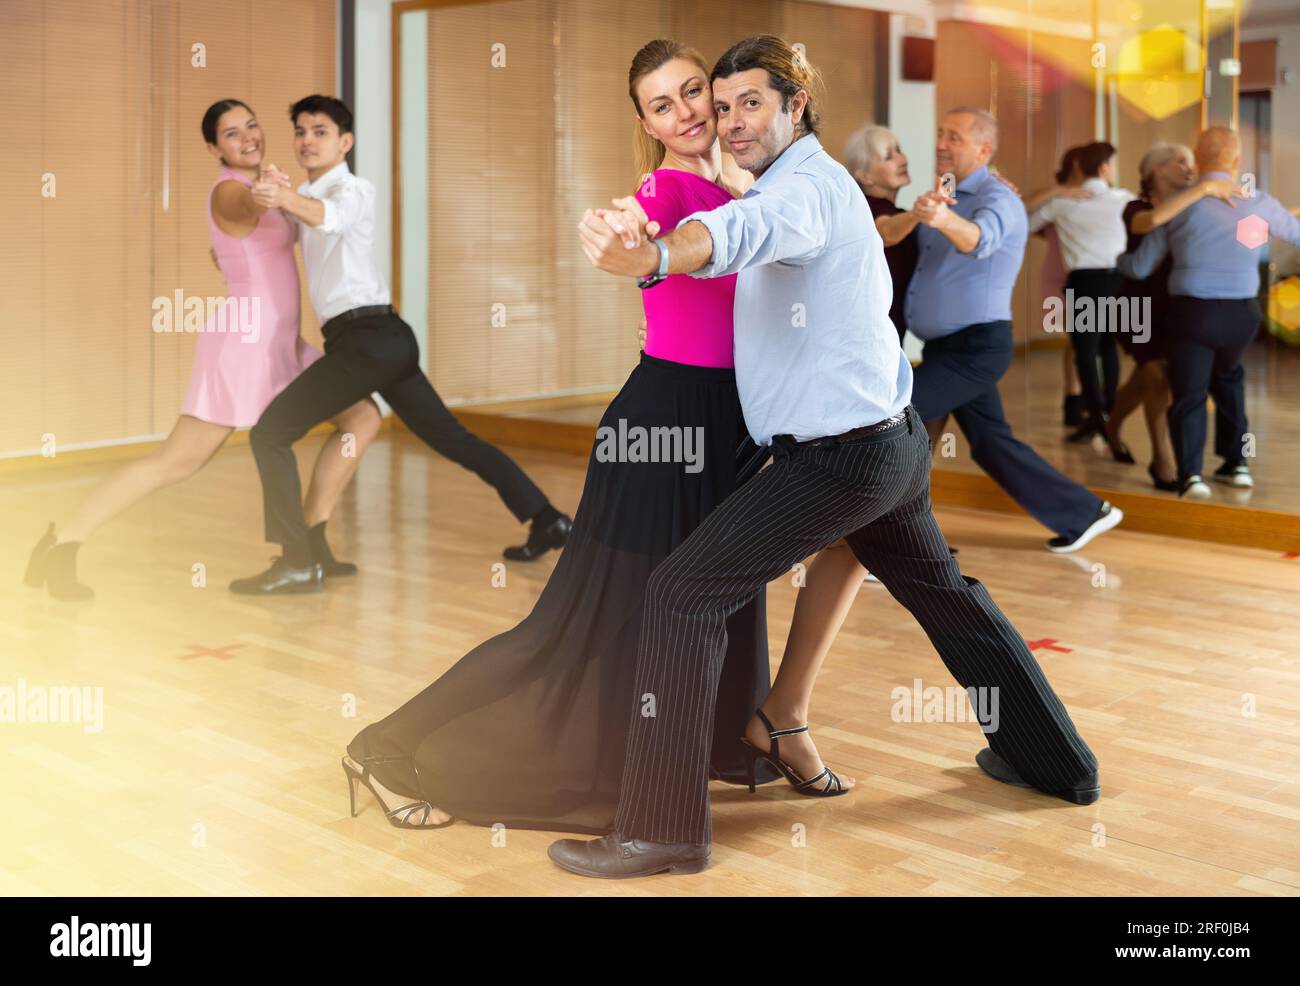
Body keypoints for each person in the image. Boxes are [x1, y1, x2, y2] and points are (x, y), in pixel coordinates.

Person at [551, 35, 1100, 879]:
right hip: (892, 441)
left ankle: (660, 830)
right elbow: (725, 222)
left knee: (681, 592)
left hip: (842, 459)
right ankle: (1055, 761)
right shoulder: (793, 182)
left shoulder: (801, 189)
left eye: (750, 104)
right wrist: (656, 268)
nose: (730, 122)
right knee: (948, 599)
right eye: (721, 106)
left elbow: (738, 232)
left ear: (795, 106)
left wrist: (658, 257)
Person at [340, 41, 865, 835]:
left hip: (722, 428)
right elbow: (642, 230)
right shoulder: (665, 187)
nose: (690, 113)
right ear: (645, 123)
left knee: (706, 608)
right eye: (664, 104)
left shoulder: (755, 188)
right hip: (661, 430)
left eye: (698, 93)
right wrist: (633, 242)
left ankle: (704, 746)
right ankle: (383, 746)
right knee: (581, 622)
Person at [24, 99, 380, 601]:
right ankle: (62, 543)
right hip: (241, 348)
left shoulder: (270, 189)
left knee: (362, 418)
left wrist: (272, 204)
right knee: (176, 463)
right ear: (215, 148)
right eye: (231, 134)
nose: (247, 137)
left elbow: (265, 233)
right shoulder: (231, 191)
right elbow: (244, 207)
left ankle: (309, 542)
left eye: (252, 125)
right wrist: (266, 197)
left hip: (281, 344)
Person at [228, 95, 571, 594]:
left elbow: (330, 218)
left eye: (319, 131)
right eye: (300, 131)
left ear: (345, 142)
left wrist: (284, 199)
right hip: (374, 342)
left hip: (369, 340)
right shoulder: (304, 195)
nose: (306, 140)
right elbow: (283, 235)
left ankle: (297, 561)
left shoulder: (353, 190)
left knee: (270, 433)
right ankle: (548, 519)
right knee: (453, 439)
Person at [905, 109, 1122, 553]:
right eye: (941, 134)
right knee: (990, 443)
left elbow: (980, 241)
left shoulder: (996, 198)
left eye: (955, 137)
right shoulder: (948, 192)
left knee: (894, 414)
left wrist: (941, 219)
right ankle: (1084, 514)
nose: (942, 143)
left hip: (976, 348)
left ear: (983, 151)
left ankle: (894, 544)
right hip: (948, 347)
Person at [1118, 126, 1300, 498]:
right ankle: (1238, 466)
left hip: (1192, 313)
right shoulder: (1258, 202)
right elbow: (1289, 234)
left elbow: (1140, 267)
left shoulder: (1179, 205)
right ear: (1236, 161)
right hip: (1242, 317)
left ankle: (1191, 476)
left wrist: (1117, 264)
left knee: (1190, 392)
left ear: (1198, 161)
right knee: (1230, 379)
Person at [1105, 143, 1239, 491]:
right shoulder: (1135, 207)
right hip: (1134, 304)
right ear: (1157, 170)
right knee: (1155, 376)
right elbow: (1152, 221)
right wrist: (1204, 188)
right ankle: (1161, 459)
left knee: (1146, 378)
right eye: (1180, 162)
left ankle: (1111, 424)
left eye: (1191, 163)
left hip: (1176, 303)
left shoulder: (1196, 202)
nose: (1189, 168)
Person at [1027, 142, 1135, 449]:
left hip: (1084, 281)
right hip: (1118, 280)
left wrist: (1055, 195)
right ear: (1103, 168)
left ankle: (1095, 416)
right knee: (1108, 347)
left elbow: (1024, 223)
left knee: (1084, 352)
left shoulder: (1062, 203)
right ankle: (1109, 414)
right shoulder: (1125, 199)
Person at [1025, 146, 1088, 428]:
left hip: (1089, 272)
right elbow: (1021, 214)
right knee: (1076, 340)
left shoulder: (1096, 195)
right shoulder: (1054, 195)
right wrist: (1056, 193)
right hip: (1061, 273)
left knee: (1085, 340)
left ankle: (1084, 401)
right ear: (1075, 165)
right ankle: (1074, 404)